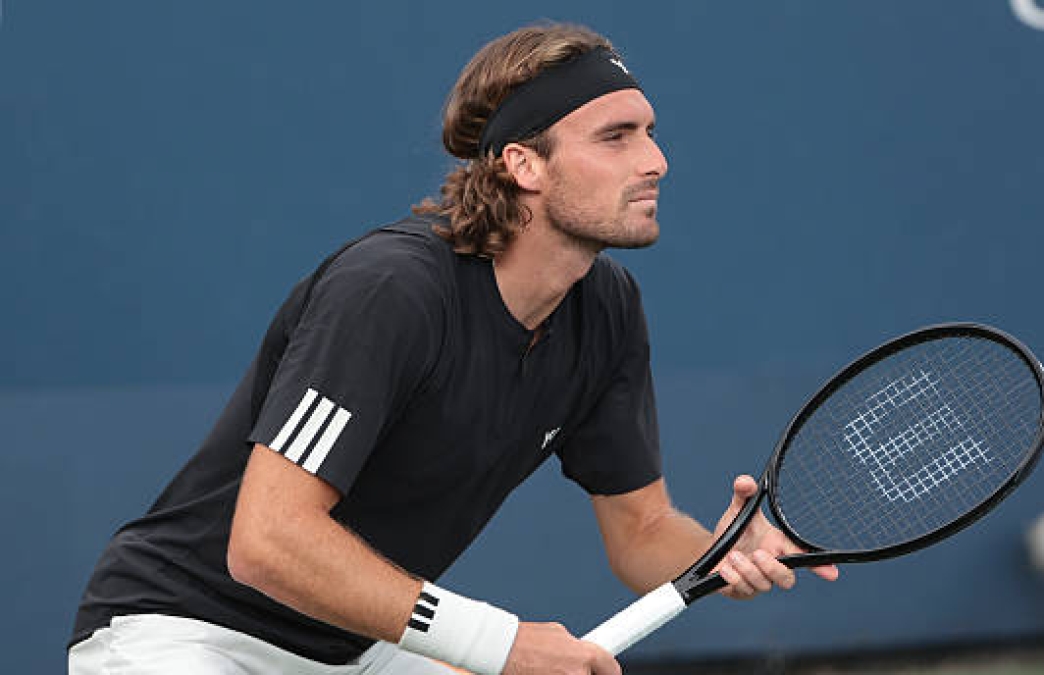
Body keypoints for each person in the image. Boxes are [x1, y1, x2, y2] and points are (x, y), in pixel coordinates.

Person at [69, 22, 837, 675]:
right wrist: (497, 643)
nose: (656, 160)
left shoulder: (604, 309)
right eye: (616, 137)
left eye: (650, 133)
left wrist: (727, 554)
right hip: (187, 631)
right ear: (523, 164)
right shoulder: (391, 291)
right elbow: (267, 540)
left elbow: (640, 533)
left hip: (355, 648)